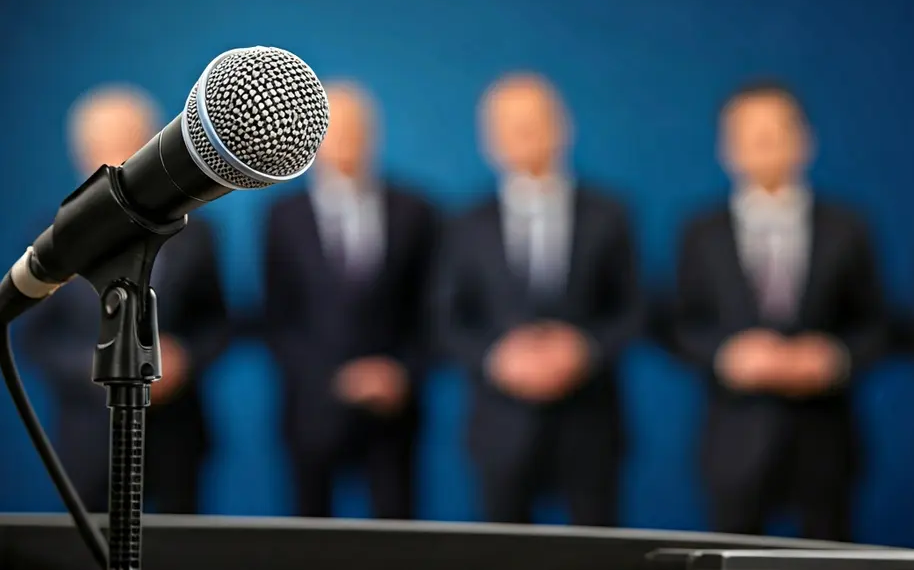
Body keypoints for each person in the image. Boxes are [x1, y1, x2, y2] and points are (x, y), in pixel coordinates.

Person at [672, 80, 888, 539]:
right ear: (727, 148)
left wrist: (834, 358)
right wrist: (726, 356)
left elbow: (881, 324)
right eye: (750, 135)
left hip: (824, 436)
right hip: (733, 435)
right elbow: (676, 323)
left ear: (804, 140)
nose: (764, 145)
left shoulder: (847, 227)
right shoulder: (700, 232)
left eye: (776, 132)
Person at [434, 73, 641, 526]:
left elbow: (634, 309)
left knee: (597, 551)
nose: (522, 135)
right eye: (508, 125)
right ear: (489, 139)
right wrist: (496, 357)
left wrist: (584, 349)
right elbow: (445, 320)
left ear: (563, 126)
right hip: (499, 423)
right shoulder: (464, 224)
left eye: (533, 122)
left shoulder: (610, 214)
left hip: (589, 421)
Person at [21, 84, 229, 513]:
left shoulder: (197, 232)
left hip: (176, 434)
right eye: (106, 145)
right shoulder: (52, 234)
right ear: (81, 152)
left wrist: (184, 357)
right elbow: (36, 338)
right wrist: (102, 367)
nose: (120, 156)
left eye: (133, 142)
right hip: (91, 436)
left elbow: (219, 322)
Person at [263, 80, 436, 519]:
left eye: (356, 128)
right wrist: (332, 378)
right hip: (310, 409)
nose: (345, 139)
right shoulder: (283, 217)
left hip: (394, 410)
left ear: (374, 133)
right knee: (310, 536)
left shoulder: (416, 211)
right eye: (333, 128)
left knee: (398, 536)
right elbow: (275, 317)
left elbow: (432, 311)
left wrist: (399, 372)